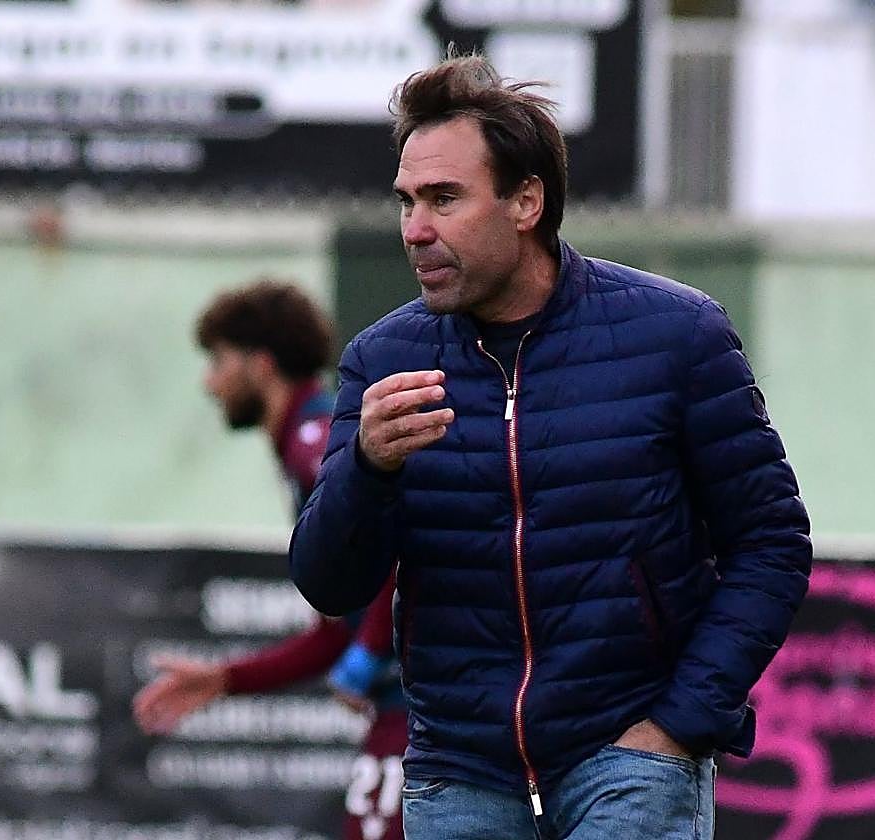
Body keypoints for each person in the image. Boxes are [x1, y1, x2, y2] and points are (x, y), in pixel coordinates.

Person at [289, 53, 812, 840]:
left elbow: (770, 543)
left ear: (526, 200)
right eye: (405, 203)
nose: (415, 230)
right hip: (460, 774)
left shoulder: (676, 335)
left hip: (627, 756)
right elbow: (330, 584)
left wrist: (679, 724)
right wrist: (367, 469)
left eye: (444, 199)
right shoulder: (382, 360)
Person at [131, 279, 405, 840]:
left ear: (259, 365)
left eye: (218, 361)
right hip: (404, 712)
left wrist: (371, 654)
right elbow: (336, 628)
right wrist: (227, 679)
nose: (209, 383)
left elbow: (398, 549)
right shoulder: (310, 446)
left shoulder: (317, 441)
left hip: (422, 715)